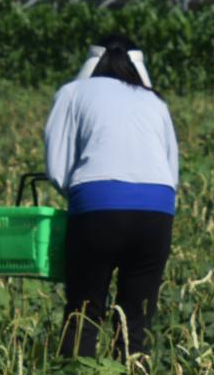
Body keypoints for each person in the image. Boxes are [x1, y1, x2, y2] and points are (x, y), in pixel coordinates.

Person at [42, 33, 179, 357]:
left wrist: (82, 195)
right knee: (136, 321)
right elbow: (171, 170)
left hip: (97, 206)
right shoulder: (154, 100)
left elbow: (57, 166)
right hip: (157, 209)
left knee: (84, 310)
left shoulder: (73, 92)